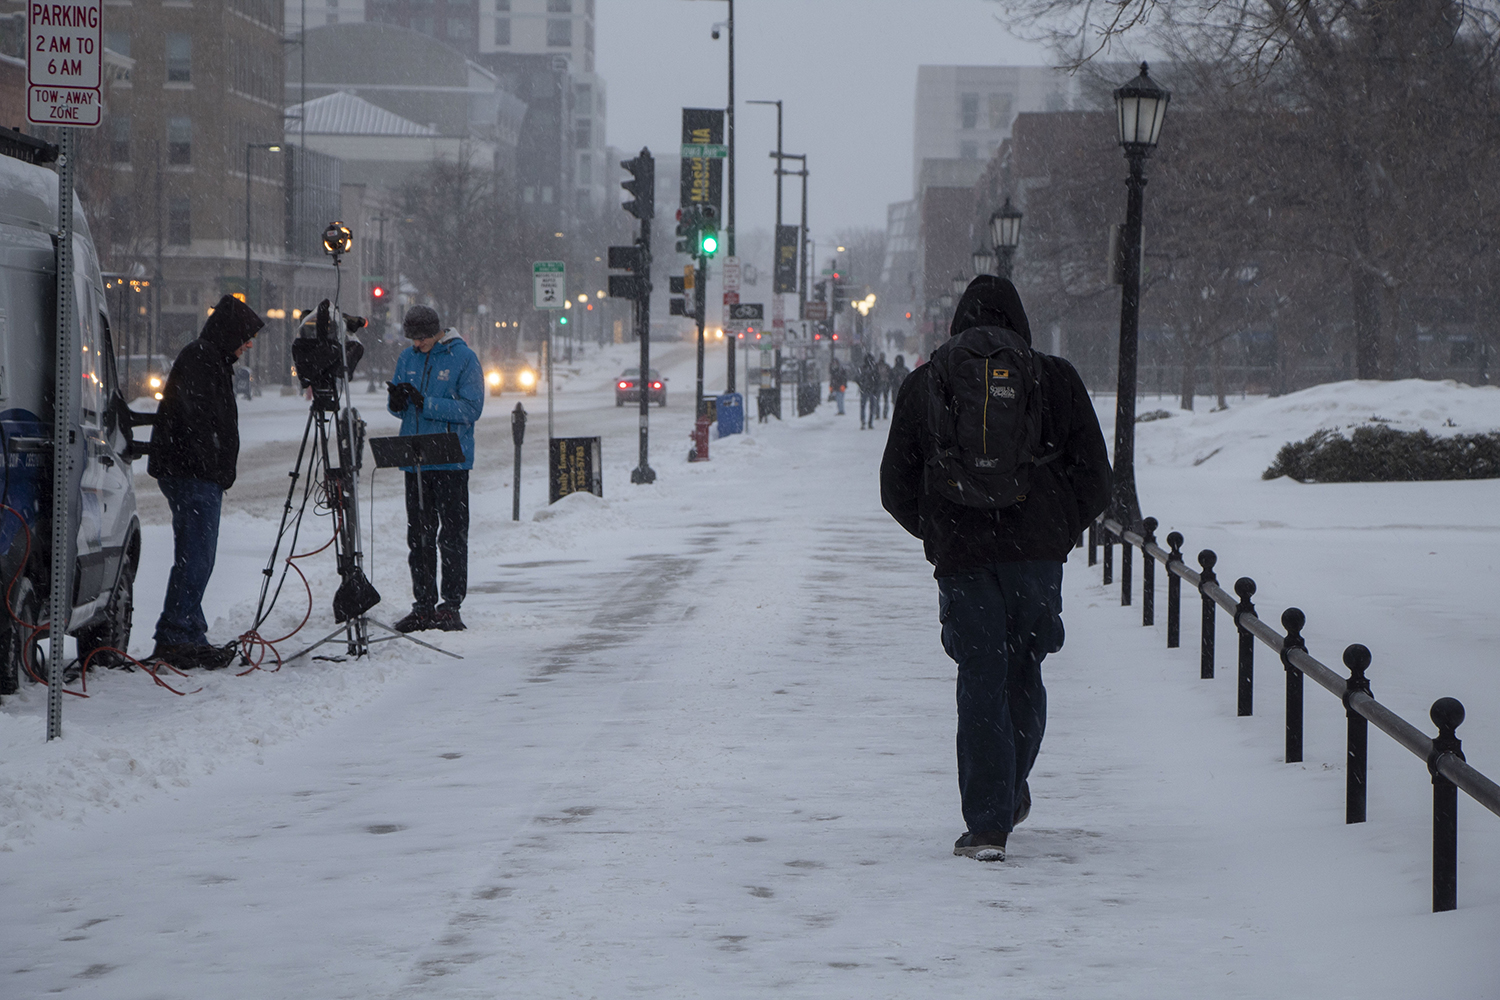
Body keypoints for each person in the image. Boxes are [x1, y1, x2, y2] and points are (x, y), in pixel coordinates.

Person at [879, 276, 1110, 862]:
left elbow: (894, 486)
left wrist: (939, 532)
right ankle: (1008, 793)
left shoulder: (929, 380)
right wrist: (1057, 530)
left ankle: (987, 824)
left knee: (980, 676)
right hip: (1035, 555)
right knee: (1024, 668)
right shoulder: (1054, 378)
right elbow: (1097, 480)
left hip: (963, 554)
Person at [147, 294, 263, 669]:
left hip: (195, 473)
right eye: (245, 337)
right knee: (196, 556)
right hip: (193, 474)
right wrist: (212, 465)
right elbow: (196, 419)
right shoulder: (201, 359)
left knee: (196, 556)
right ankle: (178, 633)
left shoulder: (210, 359)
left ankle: (188, 629)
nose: (247, 345)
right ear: (230, 333)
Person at [387, 306, 484, 633]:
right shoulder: (407, 358)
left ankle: (450, 605)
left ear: (437, 332)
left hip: (450, 461)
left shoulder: (463, 358)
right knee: (420, 536)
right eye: (412, 338)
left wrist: (425, 402)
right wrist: (397, 402)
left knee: (452, 535)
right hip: (416, 460)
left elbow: (472, 409)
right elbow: (400, 407)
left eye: (422, 338)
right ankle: (423, 605)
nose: (417, 344)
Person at [856, 352, 879, 429]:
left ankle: (863, 422)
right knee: (872, 407)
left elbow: (857, 378)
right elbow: (877, 379)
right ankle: (870, 422)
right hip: (871, 389)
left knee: (863, 406)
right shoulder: (874, 368)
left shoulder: (862, 368)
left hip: (864, 389)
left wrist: (861, 384)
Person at [875, 352, 893, 419]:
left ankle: (878, 414)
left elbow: (875, 375)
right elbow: (891, 376)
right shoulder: (887, 366)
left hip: (880, 384)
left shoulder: (876, 366)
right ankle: (884, 414)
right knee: (885, 400)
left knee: (878, 399)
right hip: (885, 383)